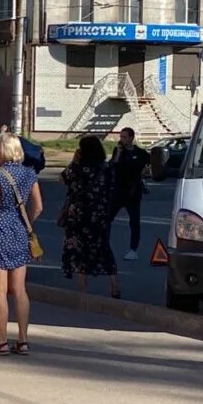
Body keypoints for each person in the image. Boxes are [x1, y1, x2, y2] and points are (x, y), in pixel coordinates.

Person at [0, 132, 43, 356]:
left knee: (0, 291)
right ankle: (22, 340)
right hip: (20, 233)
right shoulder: (30, 173)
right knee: (20, 290)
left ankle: (2, 342)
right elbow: (39, 207)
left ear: (2, 150)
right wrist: (26, 223)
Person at [61, 136, 120, 298]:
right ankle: (114, 286)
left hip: (78, 215)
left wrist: (74, 160)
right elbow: (113, 190)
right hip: (99, 215)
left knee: (80, 249)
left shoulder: (78, 168)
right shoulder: (107, 168)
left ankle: (82, 288)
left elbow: (63, 178)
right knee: (103, 248)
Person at [109, 127, 149, 260]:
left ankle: (133, 249)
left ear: (131, 138)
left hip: (133, 192)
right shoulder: (118, 151)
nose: (122, 140)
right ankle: (102, 244)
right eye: (121, 137)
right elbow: (112, 166)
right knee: (107, 218)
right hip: (118, 190)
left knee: (134, 221)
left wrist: (147, 170)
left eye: (125, 137)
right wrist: (119, 154)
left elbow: (150, 164)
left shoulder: (140, 153)